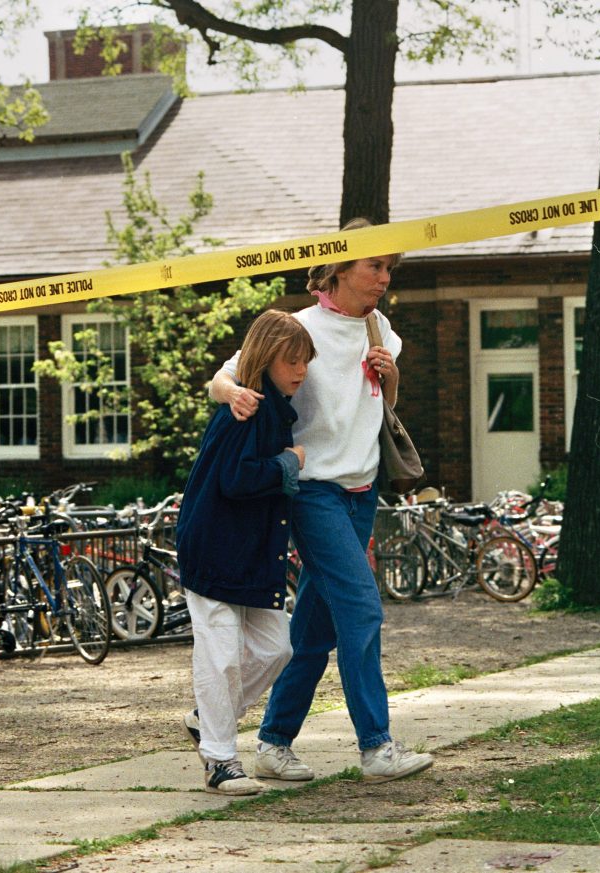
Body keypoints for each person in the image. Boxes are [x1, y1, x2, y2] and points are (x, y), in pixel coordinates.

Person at [209, 219, 434, 784]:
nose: (384, 277)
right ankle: (377, 747)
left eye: (389, 268)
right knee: (361, 606)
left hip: (362, 493)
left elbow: (374, 408)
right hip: (313, 493)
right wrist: (235, 392)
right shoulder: (300, 327)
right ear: (339, 266)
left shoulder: (381, 330)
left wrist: (392, 374)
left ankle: (273, 742)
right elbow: (224, 376)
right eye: (374, 265)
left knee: (314, 629)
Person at [177, 309, 316, 796]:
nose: (301, 370)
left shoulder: (273, 407)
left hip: (251, 551)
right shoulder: (249, 409)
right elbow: (235, 479)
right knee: (221, 657)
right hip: (213, 547)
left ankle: (206, 718)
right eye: (291, 360)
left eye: (305, 361)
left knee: (276, 648)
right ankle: (220, 759)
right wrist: (288, 464)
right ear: (266, 358)